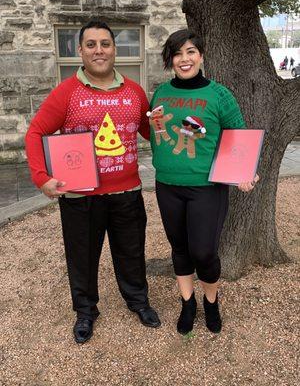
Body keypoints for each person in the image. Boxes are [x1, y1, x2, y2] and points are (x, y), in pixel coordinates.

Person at [25, 20, 161, 344]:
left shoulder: (134, 92)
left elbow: (148, 133)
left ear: (114, 49)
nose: (99, 50)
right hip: (80, 196)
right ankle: (85, 311)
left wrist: (164, 128)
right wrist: (41, 178)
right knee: (82, 256)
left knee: (131, 252)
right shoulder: (66, 93)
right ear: (80, 51)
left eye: (105, 43)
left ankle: (138, 301)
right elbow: (35, 133)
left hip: (127, 191)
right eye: (91, 44)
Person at [148, 29, 259, 335]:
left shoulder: (218, 94)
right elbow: (156, 133)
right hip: (167, 184)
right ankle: (188, 304)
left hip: (206, 187)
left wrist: (244, 172)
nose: (184, 59)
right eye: (178, 53)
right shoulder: (160, 93)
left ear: (201, 55)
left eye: (190, 52)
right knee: (179, 248)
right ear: (171, 59)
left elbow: (239, 137)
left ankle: (211, 301)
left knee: (204, 251)